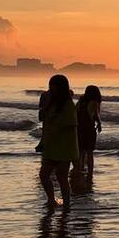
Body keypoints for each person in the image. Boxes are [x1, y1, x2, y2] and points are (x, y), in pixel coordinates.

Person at [38, 74, 78, 209]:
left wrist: (57, 127)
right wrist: (43, 141)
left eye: (53, 86)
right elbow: (45, 124)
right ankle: (51, 199)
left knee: (62, 178)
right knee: (43, 175)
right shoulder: (51, 103)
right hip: (51, 145)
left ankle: (66, 203)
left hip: (64, 146)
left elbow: (72, 124)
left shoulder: (68, 104)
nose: (51, 89)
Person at [74, 85, 102, 185]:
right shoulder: (94, 102)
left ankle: (79, 169)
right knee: (90, 152)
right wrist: (99, 124)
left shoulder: (81, 101)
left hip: (79, 129)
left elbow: (75, 112)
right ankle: (89, 172)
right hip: (89, 129)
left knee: (81, 151)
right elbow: (95, 115)